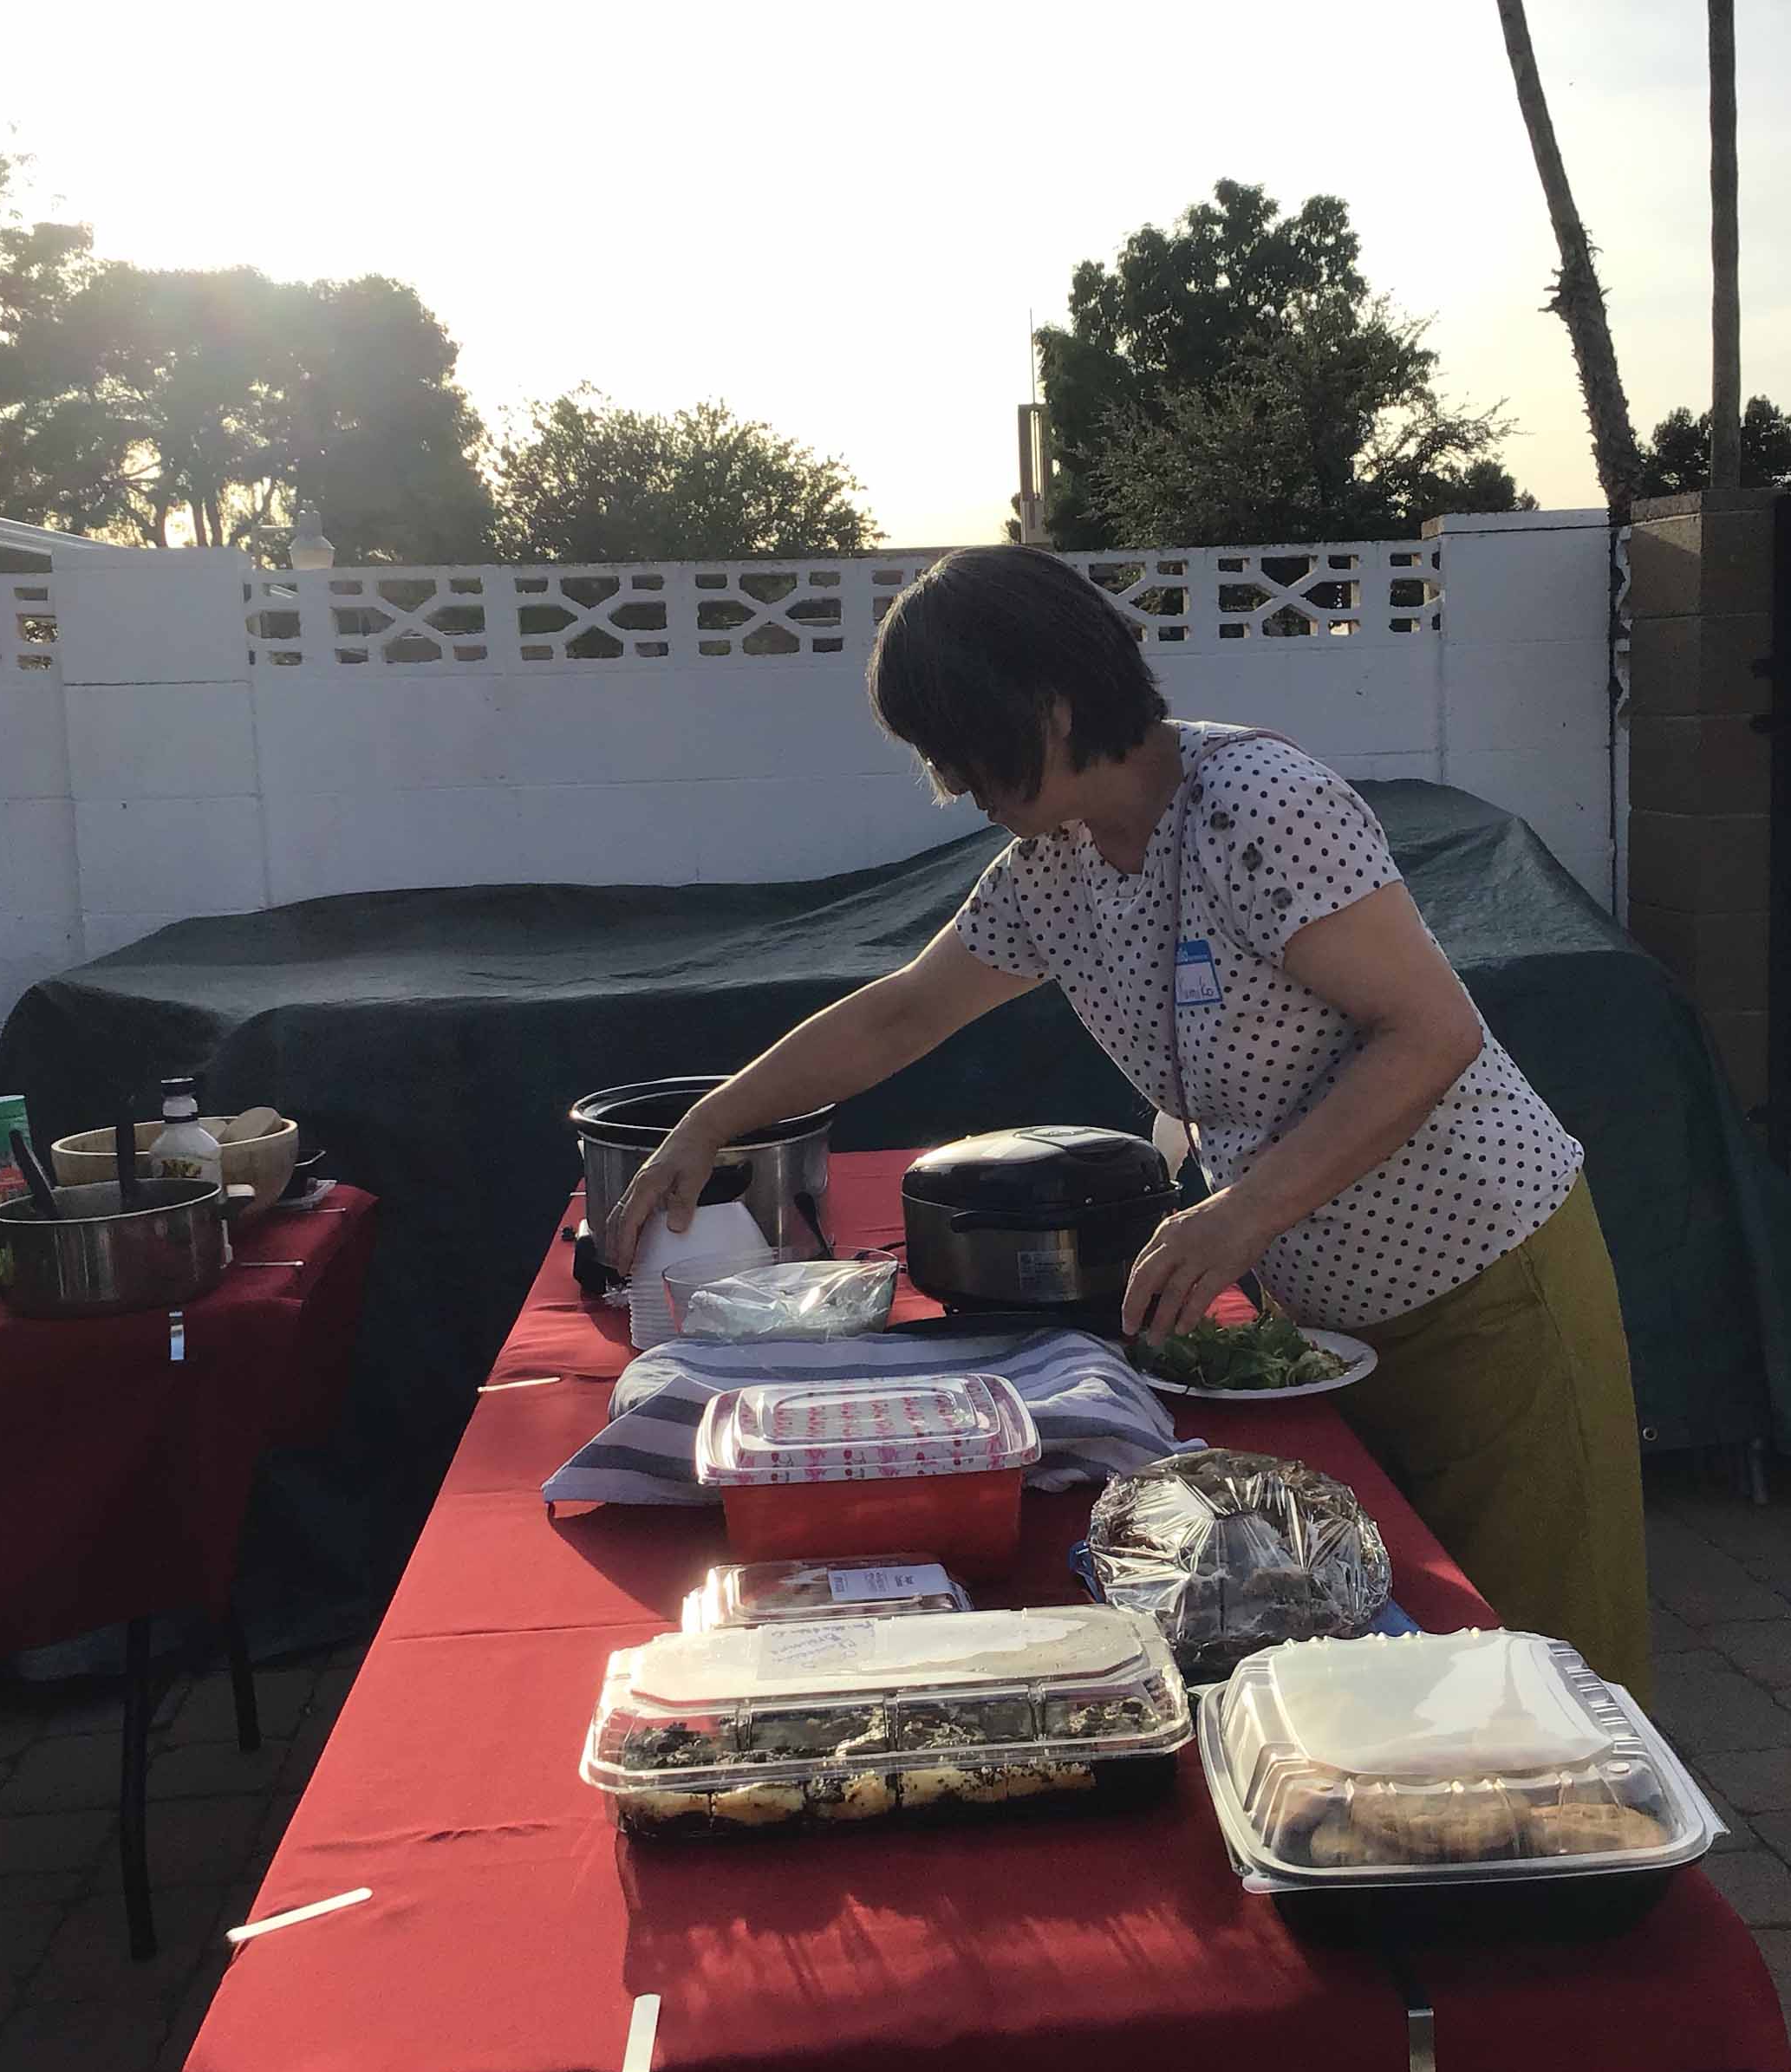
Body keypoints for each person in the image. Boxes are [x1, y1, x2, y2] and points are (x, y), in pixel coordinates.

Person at [605, 545, 1651, 1693]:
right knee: (1406, 1651)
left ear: (1048, 704)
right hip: (1324, 1308)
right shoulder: (1053, 863)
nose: (952, 780)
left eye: (958, 744)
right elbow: (904, 1013)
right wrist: (712, 1120)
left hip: (1483, 1276)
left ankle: (1609, 1876)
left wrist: (1241, 1214)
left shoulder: (1259, 805)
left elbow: (1432, 1034)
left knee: (1548, 1664)